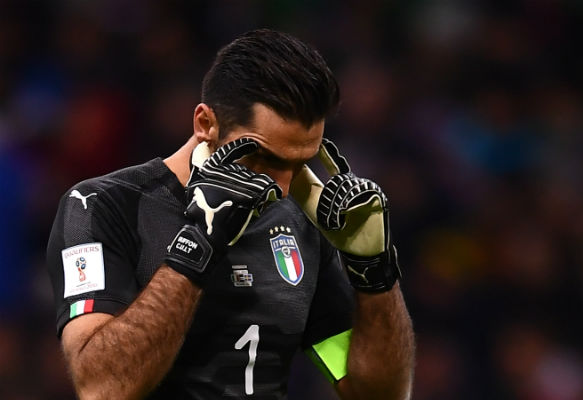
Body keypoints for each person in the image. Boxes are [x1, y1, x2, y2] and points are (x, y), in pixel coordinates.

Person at [46, 28, 414, 399]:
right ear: (205, 124)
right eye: (265, 158)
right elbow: (103, 388)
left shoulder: (303, 222)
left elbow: (377, 395)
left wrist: (374, 272)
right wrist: (199, 244)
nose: (283, 188)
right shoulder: (101, 205)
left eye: (300, 163)